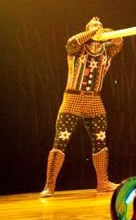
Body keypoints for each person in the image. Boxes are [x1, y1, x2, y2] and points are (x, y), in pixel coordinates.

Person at [41, 17, 123, 197]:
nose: (98, 27)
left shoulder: (107, 50)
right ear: (87, 30)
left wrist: (106, 32)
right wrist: (93, 33)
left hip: (94, 99)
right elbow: (72, 42)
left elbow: (119, 41)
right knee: (60, 141)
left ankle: (103, 183)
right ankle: (49, 185)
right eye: (94, 26)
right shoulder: (78, 47)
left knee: (100, 141)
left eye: (100, 26)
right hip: (73, 98)